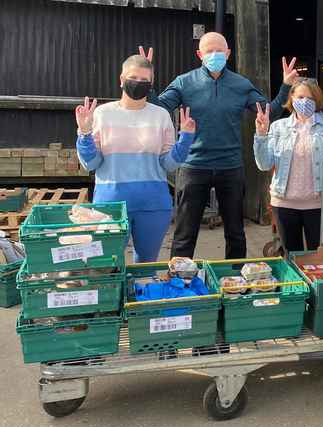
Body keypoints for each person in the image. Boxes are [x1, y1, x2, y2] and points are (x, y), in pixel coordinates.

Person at [138, 32, 299, 259]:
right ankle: (178, 279)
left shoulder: (241, 85)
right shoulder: (185, 82)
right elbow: (159, 108)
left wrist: (285, 86)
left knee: (235, 232)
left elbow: (268, 111)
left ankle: (234, 279)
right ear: (199, 54)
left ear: (228, 53)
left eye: (219, 50)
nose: (215, 55)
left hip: (230, 166)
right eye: (209, 50)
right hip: (194, 165)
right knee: (185, 232)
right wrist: (147, 81)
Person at [75, 55, 195, 263]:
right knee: (108, 264)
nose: (138, 83)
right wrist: (84, 133)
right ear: (121, 79)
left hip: (153, 204)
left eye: (144, 80)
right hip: (110, 206)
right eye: (133, 78)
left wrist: (185, 139)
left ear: (150, 85)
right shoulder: (102, 114)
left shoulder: (161, 115)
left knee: (146, 267)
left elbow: (168, 164)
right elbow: (90, 163)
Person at [253, 79, 323, 252]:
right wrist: (261, 135)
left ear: (317, 101)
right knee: (291, 258)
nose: (305, 102)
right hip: (284, 204)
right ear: (292, 97)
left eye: (311, 98)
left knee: (319, 259)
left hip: (319, 204)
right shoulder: (279, 127)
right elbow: (264, 164)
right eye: (300, 96)